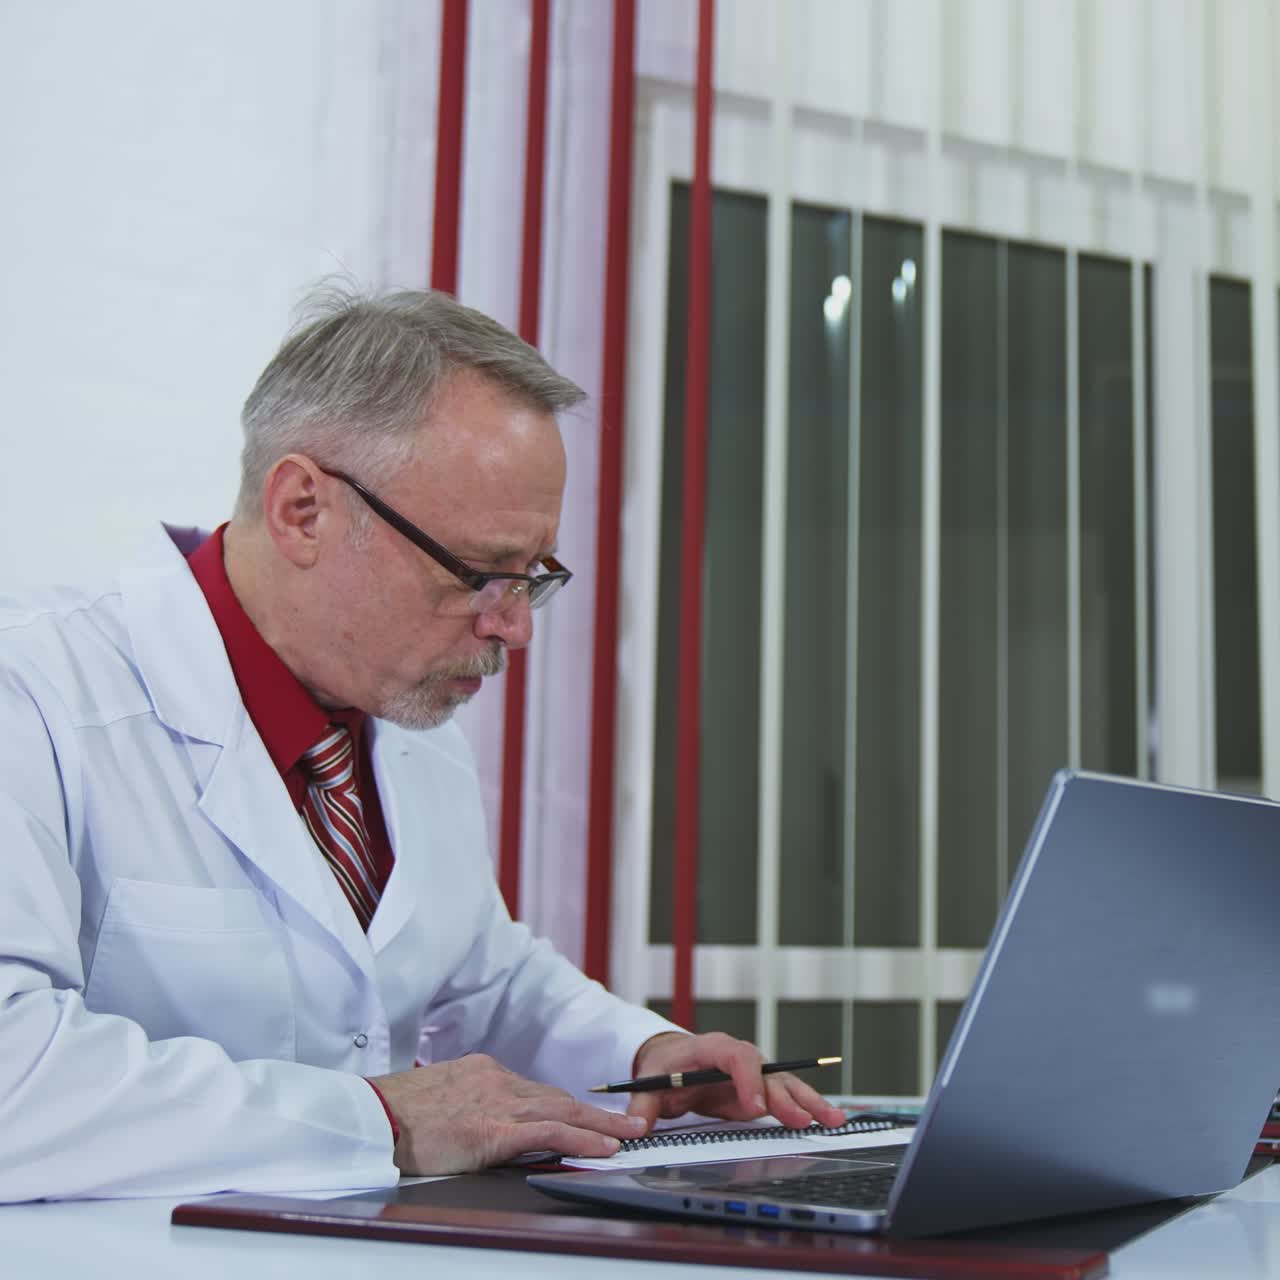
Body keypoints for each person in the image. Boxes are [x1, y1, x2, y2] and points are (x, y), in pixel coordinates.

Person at [0, 285, 844, 1202]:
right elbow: (15, 1078)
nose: (515, 627)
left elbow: (477, 978)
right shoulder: (35, 695)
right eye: (480, 572)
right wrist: (380, 1122)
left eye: (533, 575)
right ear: (302, 510)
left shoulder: (407, 718)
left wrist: (645, 1054)